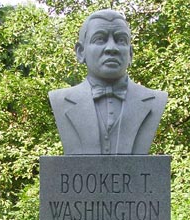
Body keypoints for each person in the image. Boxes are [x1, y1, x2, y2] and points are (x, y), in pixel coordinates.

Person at [49, 9, 167, 155]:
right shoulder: (60, 100)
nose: (112, 48)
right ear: (81, 52)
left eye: (121, 40)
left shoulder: (155, 100)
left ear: (130, 54)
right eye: (100, 39)